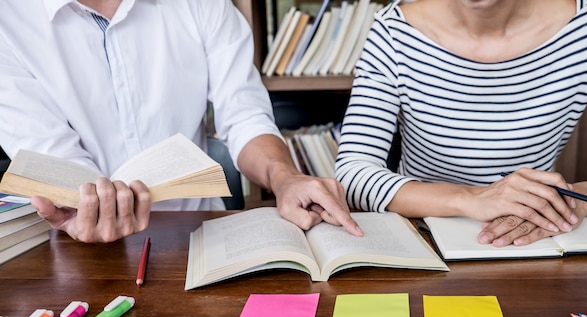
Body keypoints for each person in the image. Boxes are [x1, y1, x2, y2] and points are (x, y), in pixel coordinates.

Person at [0, 0, 362, 243]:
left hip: (203, 240)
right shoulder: (8, 22)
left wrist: (285, 177)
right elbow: (57, 165)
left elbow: (244, 116)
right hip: (74, 249)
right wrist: (89, 207)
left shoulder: (203, 4)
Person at [336, 0, 587, 247]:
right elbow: (353, 172)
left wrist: (574, 203)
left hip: (532, 239)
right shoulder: (393, 30)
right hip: (421, 234)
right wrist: (470, 199)